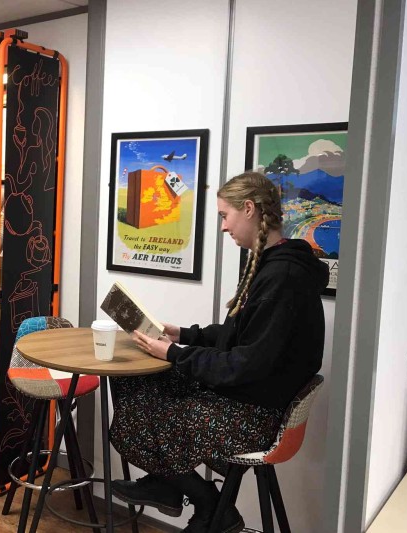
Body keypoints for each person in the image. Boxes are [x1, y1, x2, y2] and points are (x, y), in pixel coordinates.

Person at [109, 171, 329, 533]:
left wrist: (174, 353)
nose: (224, 227)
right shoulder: (270, 265)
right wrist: (181, 334)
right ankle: (172, 485)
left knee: (147, 416)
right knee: (137, 388)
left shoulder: (283, 277)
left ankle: (209, 504)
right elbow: (237, 337)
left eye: (225, 216)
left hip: (257, 415)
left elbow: (245, 363)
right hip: (248, 396)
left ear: (248, 209)